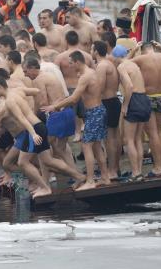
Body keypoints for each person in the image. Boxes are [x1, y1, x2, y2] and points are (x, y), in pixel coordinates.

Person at [0, 77, 85, 197]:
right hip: (39, 126)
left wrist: (33, 134)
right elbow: (35, 93)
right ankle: (79, 176)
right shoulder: (16, 92)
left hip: (34, 129)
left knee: (23, 162)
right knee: (48, 161)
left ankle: (45, 187)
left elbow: (22, 118)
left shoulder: (10, 101)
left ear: (0, 87)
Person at [44, 51, 109, 190]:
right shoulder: (91, 72)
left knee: (86, 146)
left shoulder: (85, 76)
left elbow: (74, 98)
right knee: (97, 146)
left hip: (94, 112)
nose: (70, 66)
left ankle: (90, 181)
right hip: (99, 110)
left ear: (78, 62)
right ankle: (105, 177)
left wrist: (55, 106)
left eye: (71, 63)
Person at [129, 41, 161, 176]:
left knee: (152, 134)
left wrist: (134, 50)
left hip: (148, 97)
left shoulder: (141, 58)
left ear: (143, 49)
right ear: (153, 48)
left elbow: (124, 64)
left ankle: (158, 167)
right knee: (159, 132)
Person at [23, 58, 77, 172]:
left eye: (26, 71)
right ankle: (76, 175)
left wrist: (33, 116)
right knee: (61, 148)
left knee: (43, 149)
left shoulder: (38, 79)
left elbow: (42, 102)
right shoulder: (50, 75)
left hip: (56, 115)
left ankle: (49, 180)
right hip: (67, 111)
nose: (25, 75)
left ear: (32, 68)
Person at [54, 31, 93, 142]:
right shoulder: (87, 56)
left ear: (66, 41)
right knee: (86, 114)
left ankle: (76, 133)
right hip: (85, 89)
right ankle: (87, 132)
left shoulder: (60, 57)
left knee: (73, 115)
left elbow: (56, 76)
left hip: (69, 88)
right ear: (78, 40)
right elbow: (94, 72)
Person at [117, 55, 151, 180]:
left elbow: (129, 86)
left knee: (129, 140)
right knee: (137, 139)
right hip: (144, 99)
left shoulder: (121, 66)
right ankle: (140, 171)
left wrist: (125, 105)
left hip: (134, 99)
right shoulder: (134, 65)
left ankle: (135, 172)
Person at [92, 41, 122, 179]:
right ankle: (116, 168)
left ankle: (112, 171)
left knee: (109, 140)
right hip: (114, 101)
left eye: (92, 49)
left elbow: (99, 87)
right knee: (115, 138)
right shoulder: (110, 63)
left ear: (96, 51)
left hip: (107, 103)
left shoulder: (102, 66)